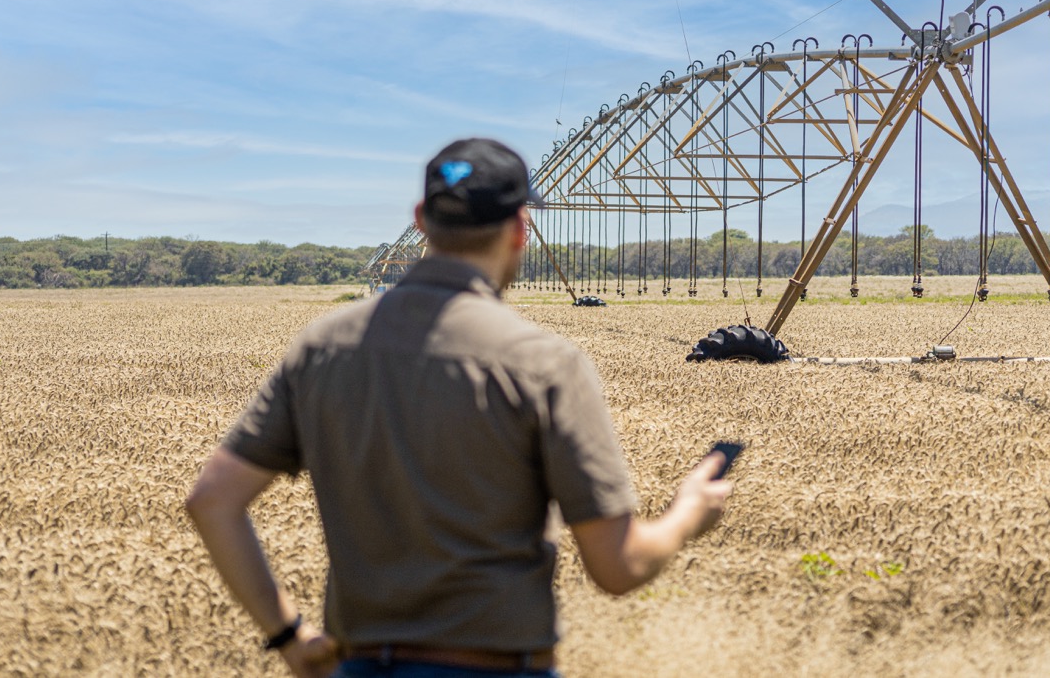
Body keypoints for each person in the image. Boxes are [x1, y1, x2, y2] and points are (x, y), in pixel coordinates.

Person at [186, 137, 733, 678]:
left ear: (422, 219)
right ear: (521, 228)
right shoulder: (542, 363)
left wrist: (289, 637)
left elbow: (213, 500)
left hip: (357, 664)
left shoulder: (322, 347)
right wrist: (689, 512)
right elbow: (618, 567)